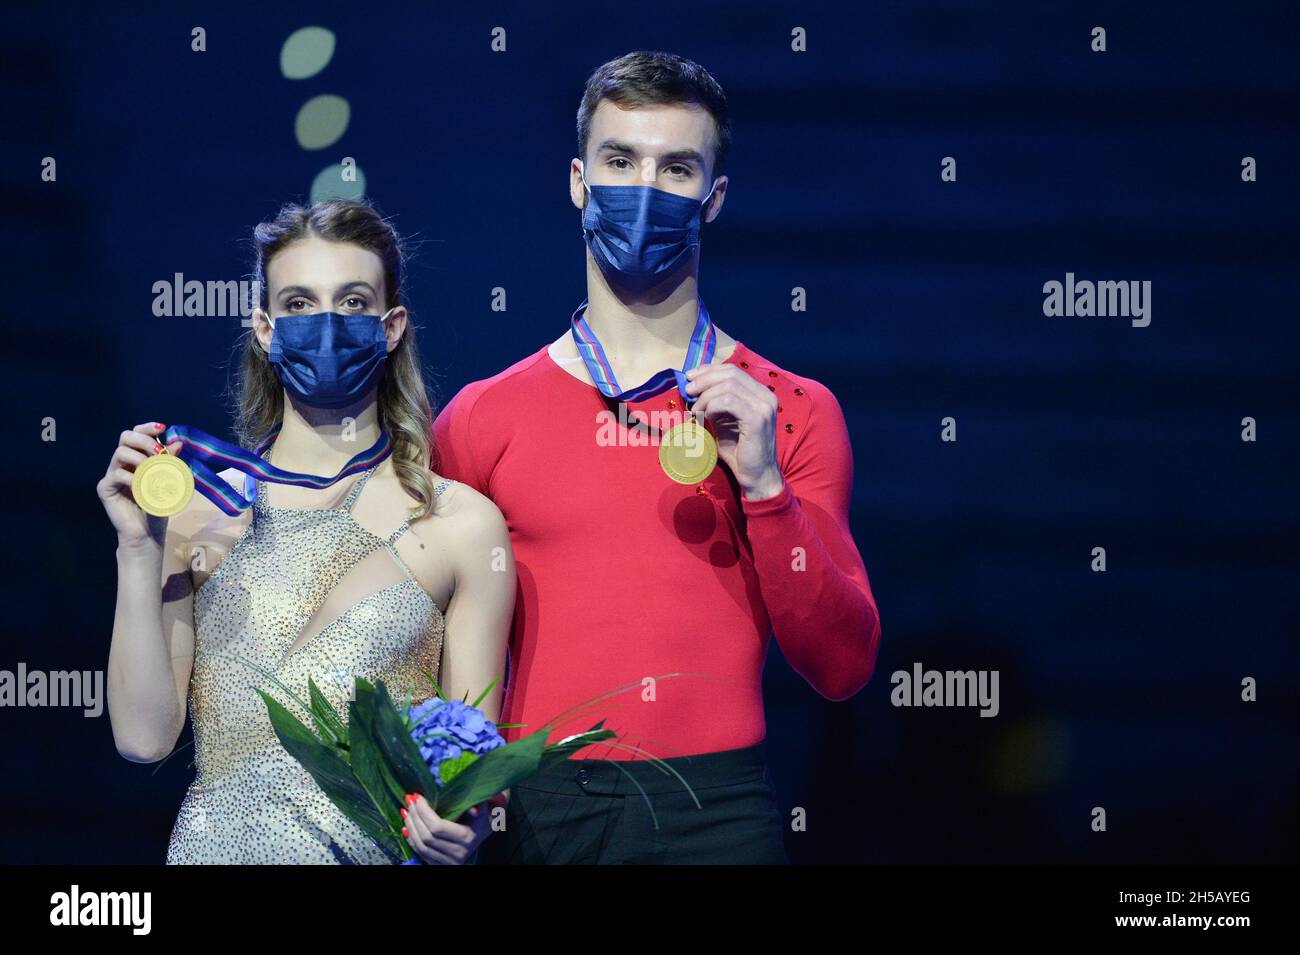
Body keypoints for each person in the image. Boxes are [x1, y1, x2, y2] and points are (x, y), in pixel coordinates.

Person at [432, 51, 882, 864]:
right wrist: (445, 788)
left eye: (675, 168)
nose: (643, 190)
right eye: (619, 161)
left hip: (720, 816)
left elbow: (843, 665)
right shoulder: (479, 417)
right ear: (577, 181)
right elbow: (422, 644)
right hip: (540, 813)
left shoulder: (793, 409)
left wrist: (766, 489)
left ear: (712, 199)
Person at [99, 199, 514, 864]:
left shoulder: (461, 524)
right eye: (299, 303)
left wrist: (469, 829)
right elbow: (144, 737)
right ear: (264, 328)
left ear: (391, 326)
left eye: (352, 302)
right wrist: (134, 546)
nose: (325, 325)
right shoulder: (199, 507)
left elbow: (477, 774)